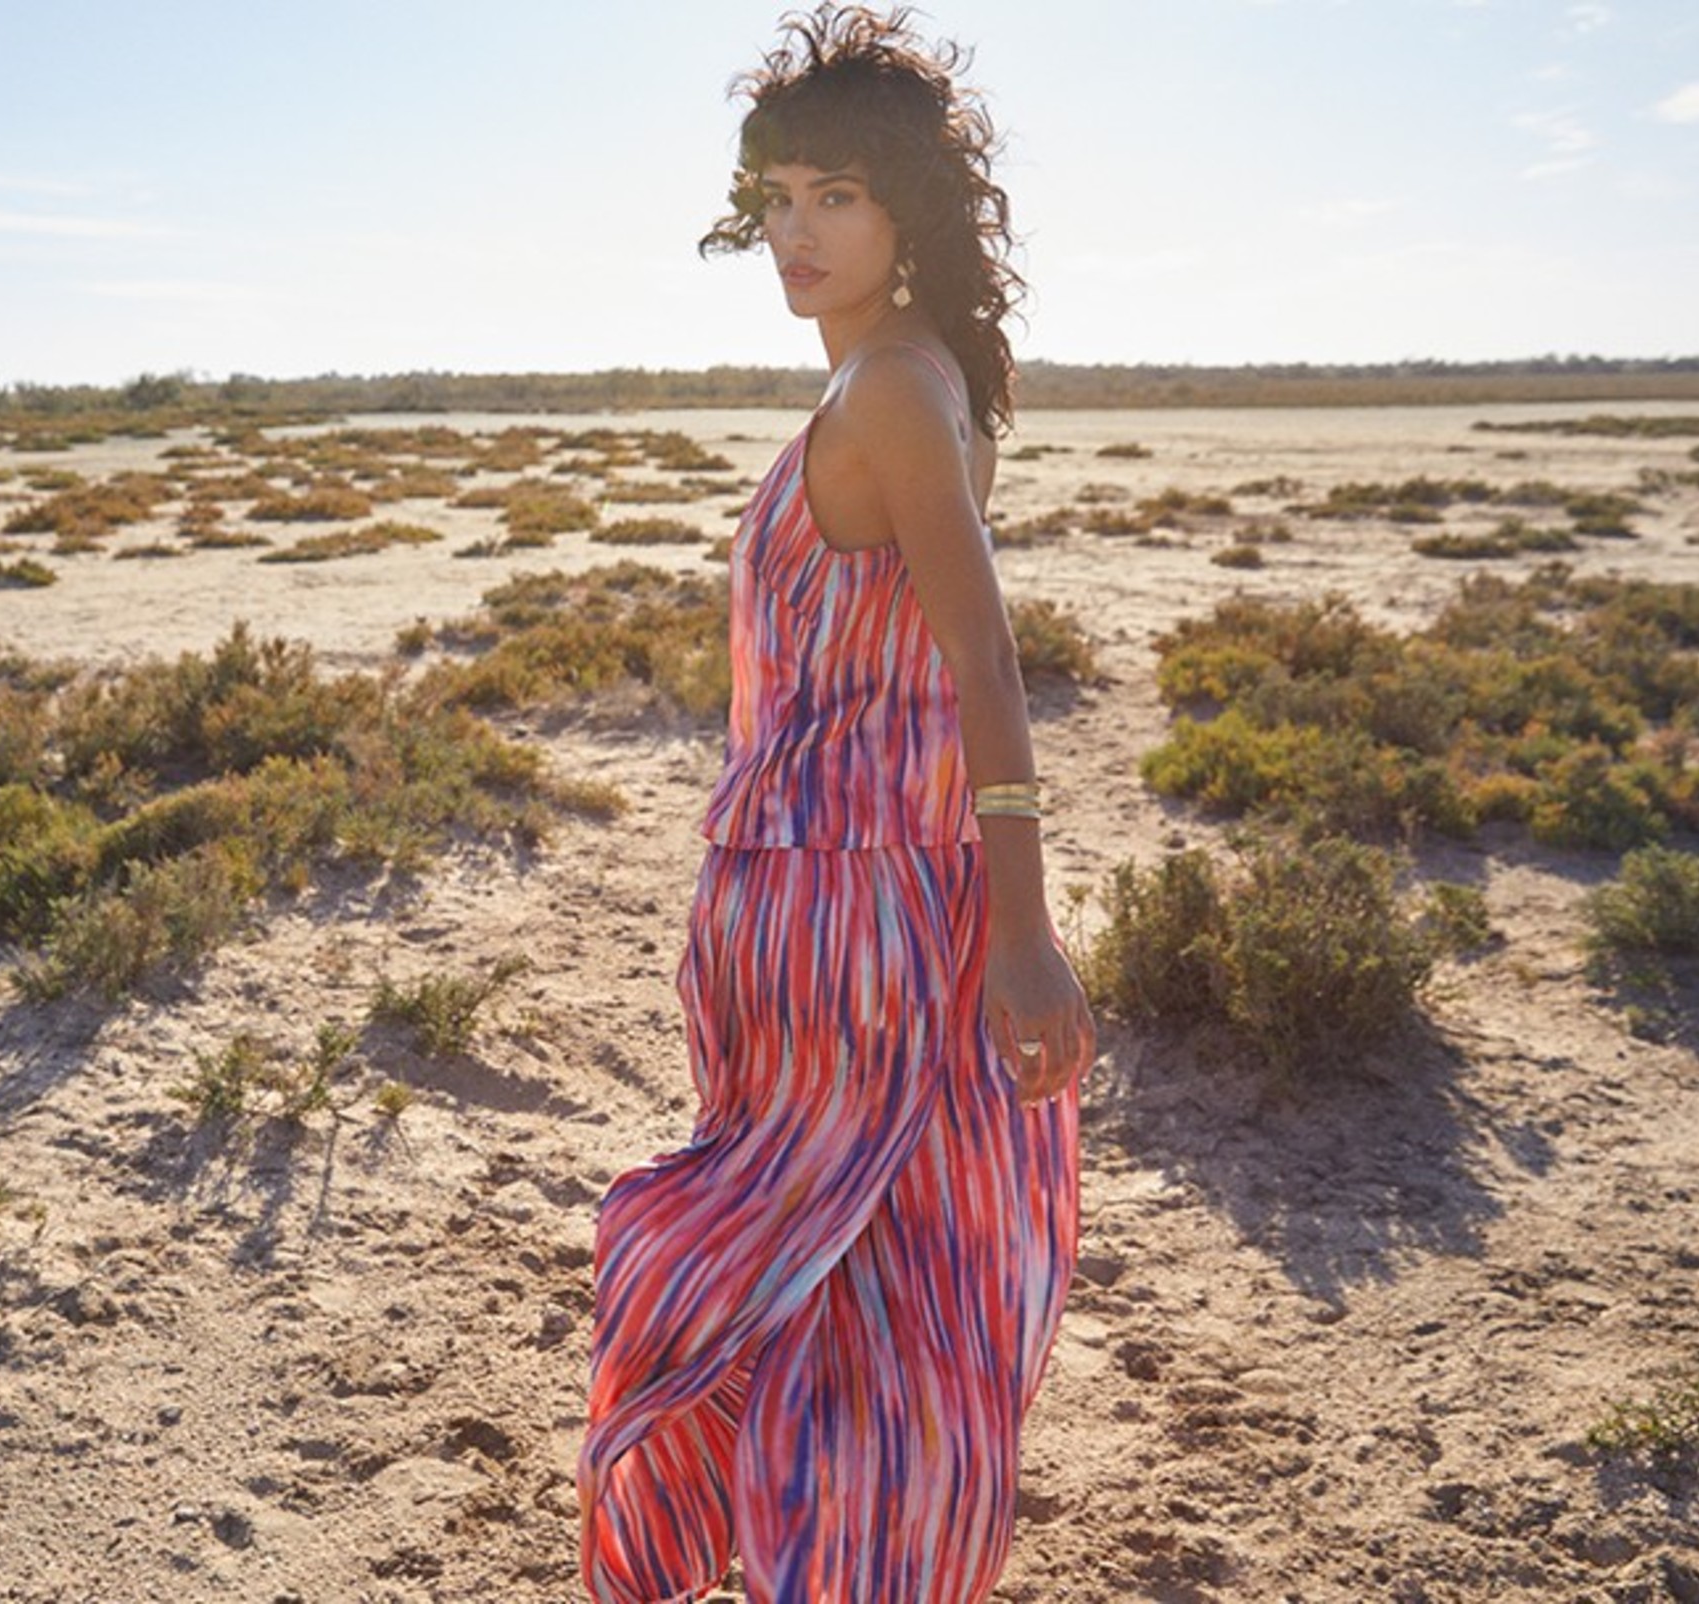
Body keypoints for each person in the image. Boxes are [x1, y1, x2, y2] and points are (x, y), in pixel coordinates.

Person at [578, 7, 1092, 1599]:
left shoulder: (889, 390)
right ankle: (835, 1557)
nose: (797, 234)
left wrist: (1028, 935)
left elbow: (984, 660)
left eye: (838, 198)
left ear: (906, 209)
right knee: (868, 1265)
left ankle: (823, 1558)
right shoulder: (909, 373)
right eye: (779, 198)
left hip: (855, 906)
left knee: (800, 1251)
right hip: (862, 897)